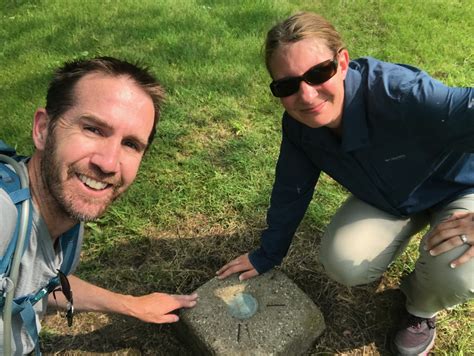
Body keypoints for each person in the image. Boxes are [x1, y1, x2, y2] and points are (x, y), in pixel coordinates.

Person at [216, 12, 473, 355]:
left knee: (459, 271)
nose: (306, 96)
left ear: (343, 61)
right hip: (390, 200)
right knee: (342, 260)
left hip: (459, 188)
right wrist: (268, 253)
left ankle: (421, 309)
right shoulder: (299, 125)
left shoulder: (402, 94)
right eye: (287, 85)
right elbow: (291, 190)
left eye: (319, 73)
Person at [0, 57, 198, 355]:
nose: (108, 163)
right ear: (42, 129)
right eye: (93, 129)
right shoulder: (5, 217)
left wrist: (132, 305)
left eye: (131, 144)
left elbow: (40, 285)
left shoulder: (65, 223)